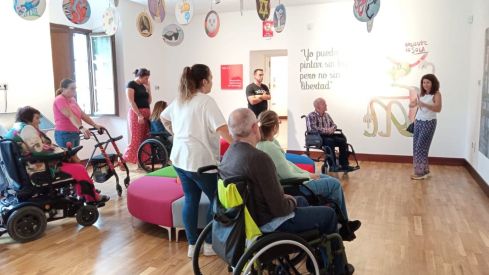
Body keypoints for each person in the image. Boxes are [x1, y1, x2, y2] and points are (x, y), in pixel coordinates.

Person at [219, 108, 350, 274]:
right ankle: (337, 269)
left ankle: (315, 260)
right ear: (254, 128)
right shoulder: (258, 158)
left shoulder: (229, 156)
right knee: (328, 214)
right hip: (270, 224)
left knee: (303, 201)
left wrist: (287, 198)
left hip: (246, 220)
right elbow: (280, 208)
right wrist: (290, 200)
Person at [160, 64, 233, 258]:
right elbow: (223, 130)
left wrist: (176, 134)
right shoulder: (206, 101)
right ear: (204, 81)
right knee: (217, 201)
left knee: (190, 200)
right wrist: (239, 146)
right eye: (211, 79)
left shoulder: (181, 100)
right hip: (201, 162)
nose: (212, 83)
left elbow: (162, 117)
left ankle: (193, 245)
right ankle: (208, 244)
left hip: (180, 160)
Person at [256, 110, 360, 240]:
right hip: (295, 184)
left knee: (327, 178)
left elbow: (287, 164)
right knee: (335, 184)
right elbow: (286, 174)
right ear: (275, 126)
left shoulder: (270, 143)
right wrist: (308, 176)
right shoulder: (268, 147)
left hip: (298, 178)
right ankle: (343, 224)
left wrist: (308, 173)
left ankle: (343, 222)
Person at [5, 106, 109, 204]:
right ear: (28, 118)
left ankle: (88, 192)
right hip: (40, 169)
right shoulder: (27, 128)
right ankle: (92, 197)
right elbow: (39, 151)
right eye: (36, 118)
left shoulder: (13, 130)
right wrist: (63, 153)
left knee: (74, 162)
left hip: (25, 170)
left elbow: (36, 149)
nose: (39, 121)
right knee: (79, 168)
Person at [53, 79, 104, 162]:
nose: (74, 91)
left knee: (74, 157)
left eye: (75, 88)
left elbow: (82, 114)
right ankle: (81, 174)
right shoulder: (59, 100)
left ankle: (79, 174)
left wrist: (95, 125)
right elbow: (70, 115)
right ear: (63, 89)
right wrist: (81, 127)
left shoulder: (72, 99)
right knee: (71, 159)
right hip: (64, 134)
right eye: (72, 88)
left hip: (75, 132)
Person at [409, 74, 442, 180]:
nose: (425, 85)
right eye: (423, 82)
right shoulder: (420, 94)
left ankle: (420, 173)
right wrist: (413, 103)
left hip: (429, 123)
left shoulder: (436, 94)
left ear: (433, 83)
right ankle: (425, 170)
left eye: (428, 82)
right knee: (416, 147)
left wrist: (424, 104)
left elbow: (438, 109)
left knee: (421, 147)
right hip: (418, 122)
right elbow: (412, 105)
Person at [307, 98, 354, 172]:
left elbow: (334, 125)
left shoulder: (327, 115)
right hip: (318, 137)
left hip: (329, 135)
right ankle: (333, 165)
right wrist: (326, 130)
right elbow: (312, 128)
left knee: (342, 141)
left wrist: (331, 129)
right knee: (330, 141)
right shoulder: (311, 115)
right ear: (317, 106)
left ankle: (344, 164)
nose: (326, 105)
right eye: (324, 104)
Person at [123, 68, 152, 166]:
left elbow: (149, 102)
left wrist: (149, 89)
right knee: (136, 139)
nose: (147, 80)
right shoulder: (131, 84)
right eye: (146, 78)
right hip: (136, 114)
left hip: (146, 113)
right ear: (139, 77)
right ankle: (123, 161)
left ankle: (141, 162)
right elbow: (131, 101)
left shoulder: (143, 86)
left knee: (145, 138)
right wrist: (139, 114)